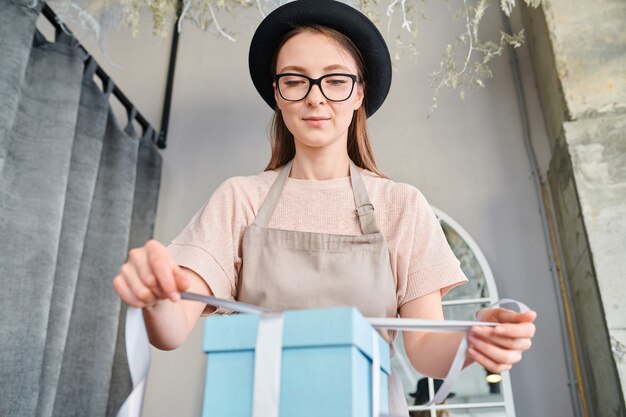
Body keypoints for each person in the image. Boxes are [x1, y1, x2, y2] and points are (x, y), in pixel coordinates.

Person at [112, 1, 537, 415]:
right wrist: (153, 293)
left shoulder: (401, 205)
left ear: (359, 94)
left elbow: (424, 348)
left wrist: (472, 342)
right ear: (278, 95)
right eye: (295, 80)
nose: (316, 98)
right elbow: (171, 327)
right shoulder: (240, 199)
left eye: (335, 80)